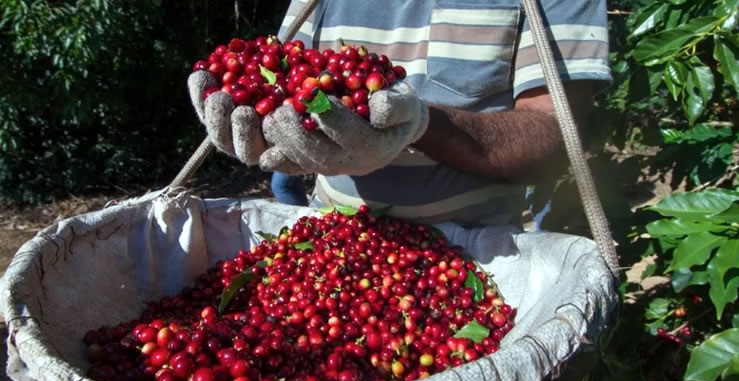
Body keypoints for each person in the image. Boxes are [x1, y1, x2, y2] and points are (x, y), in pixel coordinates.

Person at [188, 0, 611, 228]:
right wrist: (265, 130)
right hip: (333, 244)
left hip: (480, 261)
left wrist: (420, 126)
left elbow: (557, 139)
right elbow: (283, 85)